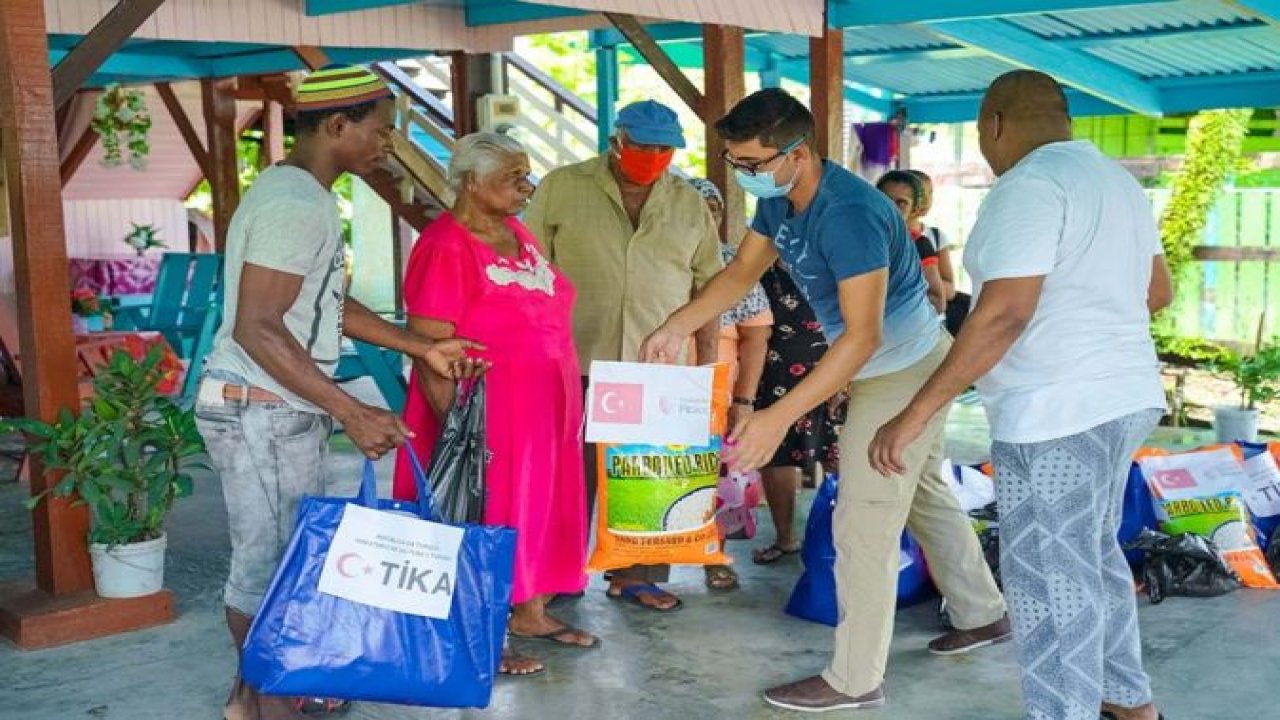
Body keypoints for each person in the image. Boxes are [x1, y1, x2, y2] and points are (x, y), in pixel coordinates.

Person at [639, 88, 1008, 713]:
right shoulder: (781, 201)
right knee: (921, 490)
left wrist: (776, 416)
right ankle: (982, 611)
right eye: (736, 165)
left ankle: (854, 677)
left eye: (754, 165)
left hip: (905, 371)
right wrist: (676, 323)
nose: (746, 177)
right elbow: (738, 276)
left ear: (797, 153)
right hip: (879, 362)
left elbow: (863, 337)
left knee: (861, 520)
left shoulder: (849, 214)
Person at [869, 70, 1172, 720]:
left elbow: (1003, 314)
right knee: (1089, 554)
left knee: (1045, 578)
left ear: (995, 124)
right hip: (1125, 396)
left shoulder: (1029, 187)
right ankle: (1129, 702)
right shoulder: (1117, 183)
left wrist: (914, 413)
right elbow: (1156, 293)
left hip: (1056, 410)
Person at [195, 65, 479, 720]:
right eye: (380, 130)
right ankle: (268, 702)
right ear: (337, 125)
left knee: (285, 555)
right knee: (266, 566)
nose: (387, 144)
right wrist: (349, 408)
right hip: (259, 408)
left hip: (274, 406)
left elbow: (325, 303)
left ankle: (254, 695)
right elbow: (258, 325)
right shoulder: (294, 203)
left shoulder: (302, 194)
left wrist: (418, 345)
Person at [392, 132, 595, 677]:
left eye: (526, 175)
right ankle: (480, 632)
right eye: (513, 177)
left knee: (540, 505)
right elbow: (432, 349)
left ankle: (529, 610)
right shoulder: (444, 246)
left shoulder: (516, 233)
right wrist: (460, 435)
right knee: (487, 514)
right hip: (488, 414)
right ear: (470, 182)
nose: (526, 187)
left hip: (544, 408)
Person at [523, 100, 722, 612]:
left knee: (650, 477)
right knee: (570, 475)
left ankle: (638, 575)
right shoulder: (563, 187)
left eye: (665, 148)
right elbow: (530, 270)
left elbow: (709, 290)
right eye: (643, 146)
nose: (654, 156)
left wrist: (704, 368)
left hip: (657, 369)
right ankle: (560, 573)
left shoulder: (688, 201)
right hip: (574, 360)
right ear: (617, 141)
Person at [687, 176, 772, 592]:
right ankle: (640, 569)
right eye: (693, 206)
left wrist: (744, 399)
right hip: (660, 389)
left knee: (716, 478)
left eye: (713, 208)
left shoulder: (734, 267)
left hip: (718, 391)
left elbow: (756, 337)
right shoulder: (659, 260)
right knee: (653, 472)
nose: (704, 215)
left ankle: (713, 555)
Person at [908, 169, 971, 336]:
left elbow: (949, 290)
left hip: (930, 324)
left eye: (930, 193)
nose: (927, 200)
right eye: (921, 193)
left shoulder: (935, 236)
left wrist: (926, 283)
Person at [876, 170, 946, 313]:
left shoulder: (919, 245)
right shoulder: (857, 239)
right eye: (886, 200)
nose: (892, 207)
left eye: (901, 203)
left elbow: (937, 301)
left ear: (914, 210)